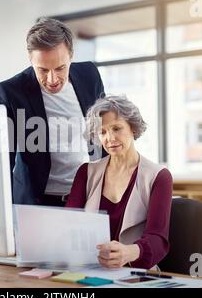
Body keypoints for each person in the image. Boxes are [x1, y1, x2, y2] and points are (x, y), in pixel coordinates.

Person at [0, 17, 105, 206]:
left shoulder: (89, 75)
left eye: (60, 68)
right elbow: (2, 165)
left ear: (71, 55)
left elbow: (104, 133)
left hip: (88, 197)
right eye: (42, 70)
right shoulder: (9, 93)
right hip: (38, 202)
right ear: (30, 60)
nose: (52, 79)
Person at [66, 95, 172, 269]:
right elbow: (68, 226)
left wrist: (128, 253)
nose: (110, 138)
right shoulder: (85, 172)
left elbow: (158, 239)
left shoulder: (159, 176)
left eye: (116, 128)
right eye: (102, 132)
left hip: (134, 272)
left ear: (133, 128)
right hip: (89, 268)